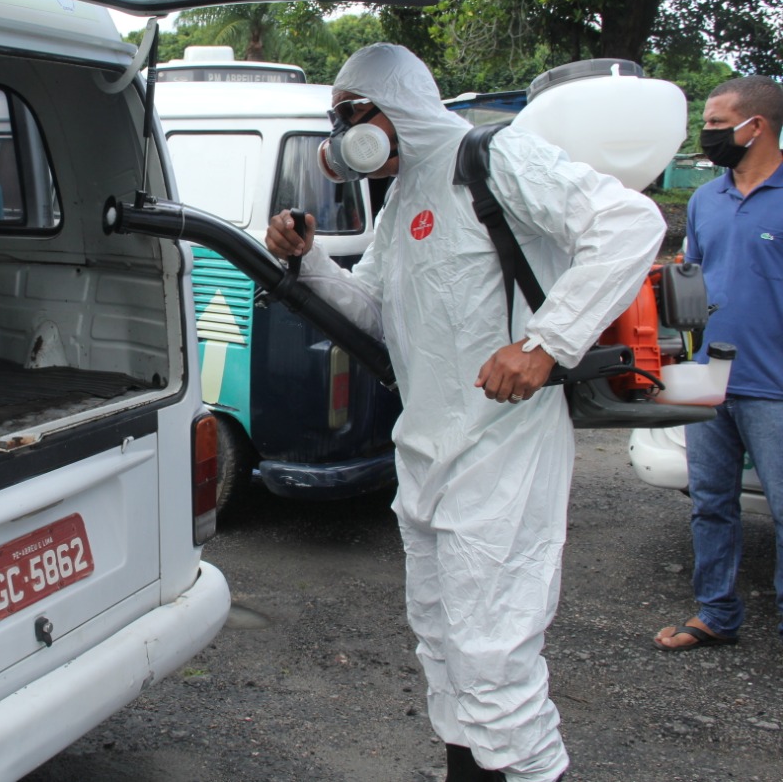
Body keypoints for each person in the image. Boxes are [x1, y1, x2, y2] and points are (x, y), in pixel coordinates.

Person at [265, 44, 664, 782]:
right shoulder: (403, 197)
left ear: (396, 106)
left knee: (494, 654)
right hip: (428, 451)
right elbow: (374, 311)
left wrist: (544, 343)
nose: (343, 136)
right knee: (443, 644)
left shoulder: (492, 155)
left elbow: (629, 223)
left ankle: (534, 771)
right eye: (336, 120)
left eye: (351, 115)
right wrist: (309, 261)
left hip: (503, 449)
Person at [653, 76, 783, 652]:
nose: (706, 134)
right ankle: (715, 614)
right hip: (709, 377)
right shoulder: (706, 199)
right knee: (710, 503)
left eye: (716, 123)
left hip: (774, 384)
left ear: (756, 126)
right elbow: (693, 281)